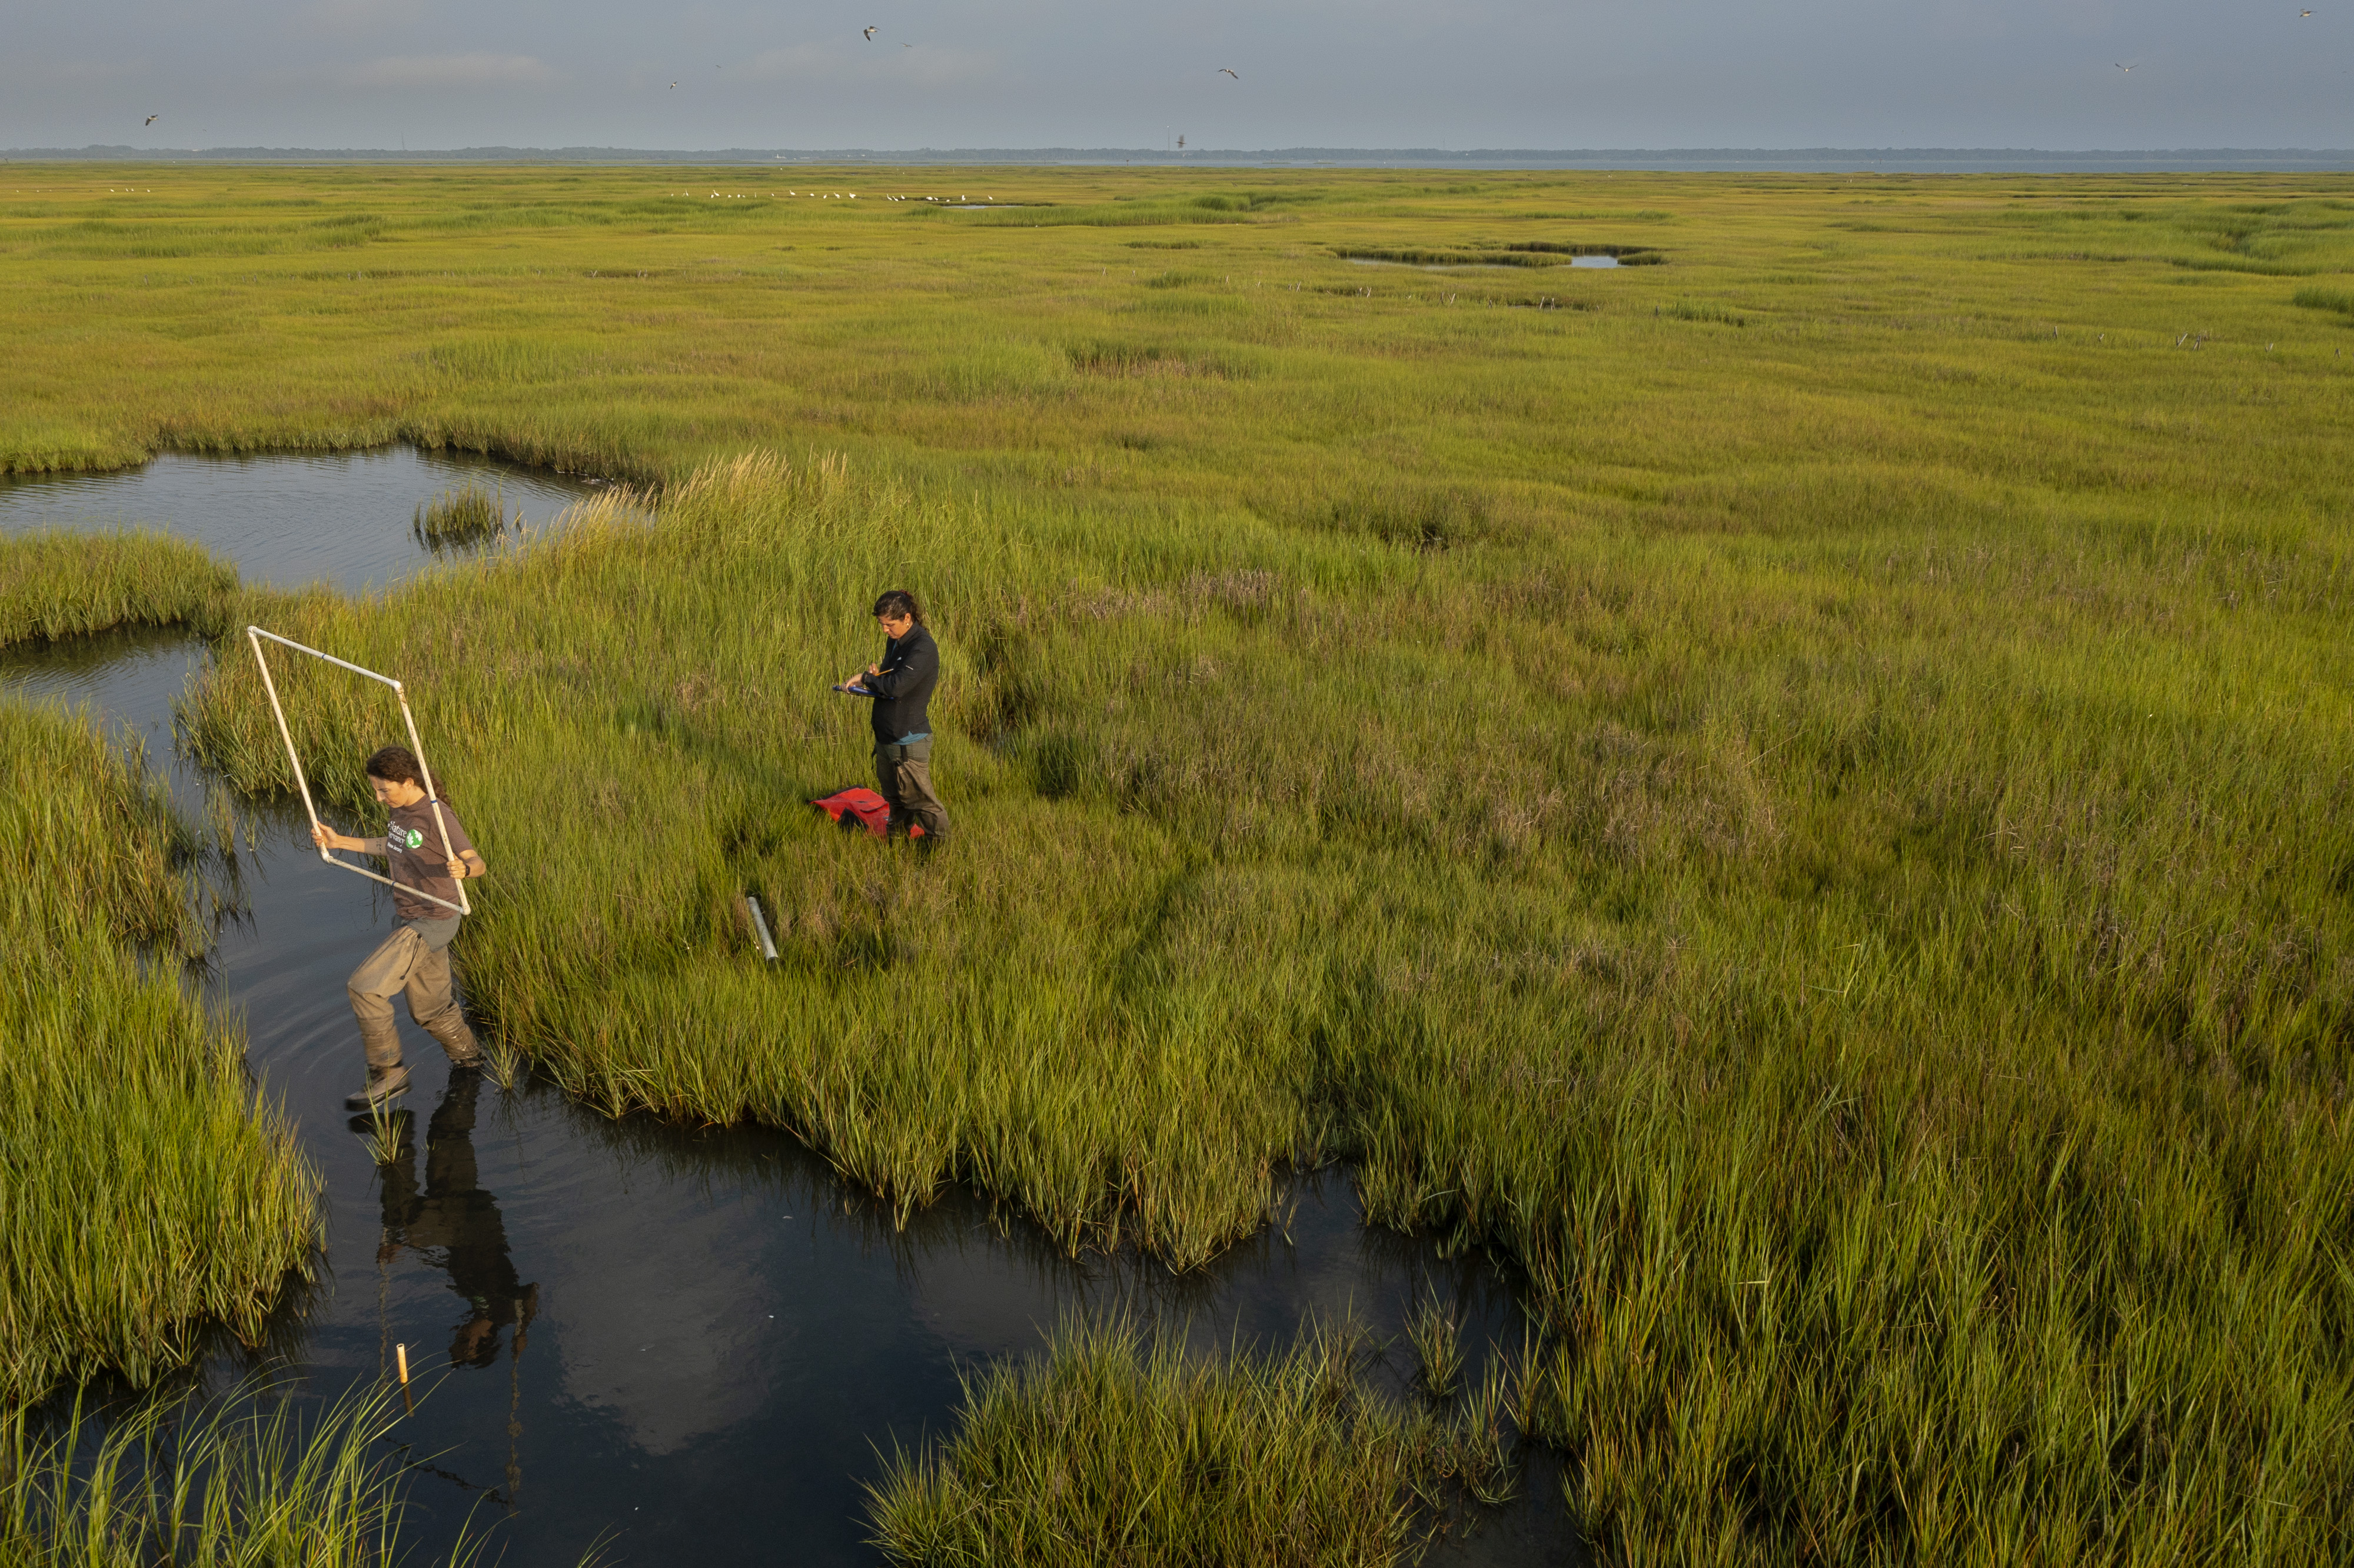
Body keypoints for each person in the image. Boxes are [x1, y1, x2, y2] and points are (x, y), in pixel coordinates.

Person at [311, 744, 490, 1110]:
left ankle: (389, 1075)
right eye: (376, 790)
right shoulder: (400, 812)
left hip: (433, 920)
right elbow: (391, 846)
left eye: (384, 789)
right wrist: (338, 842)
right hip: (408, 917)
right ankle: (472, 1063)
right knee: (431, 1010)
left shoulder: (437, 816)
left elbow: (477, 861)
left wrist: (464, 869)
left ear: (409, 781)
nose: (379, 798)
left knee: (365, 989)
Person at [841, 589, 950, 844]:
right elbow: (889, 678)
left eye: (890, 625)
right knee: (895, 801)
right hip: (887, 738)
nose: (885, 630)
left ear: (908, 619)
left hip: (908, 740)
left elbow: (898, 686)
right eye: (882, 625)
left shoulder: (924, 648)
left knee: (922, 803)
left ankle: (941, 851)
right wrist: (876, 678)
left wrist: (869, 679)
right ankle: (897, 849)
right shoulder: (895, 641)